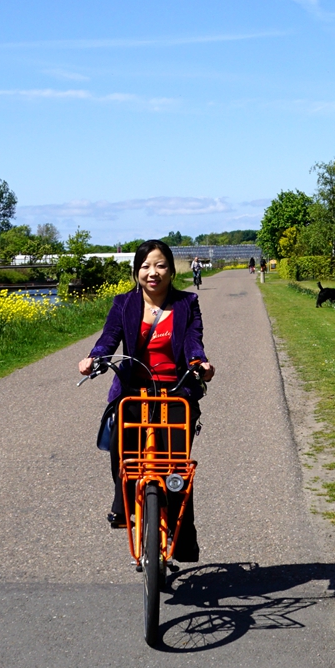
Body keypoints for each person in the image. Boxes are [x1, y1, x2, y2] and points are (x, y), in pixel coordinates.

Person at [79, 239, 213, 559]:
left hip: (175, 392)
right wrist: (95, 357)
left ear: (170, 269)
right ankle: (124, 505)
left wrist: (200, 363)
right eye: (145, 266)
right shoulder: (124, 303)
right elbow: (109, 337)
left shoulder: (186, 303)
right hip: (134, 391)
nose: (152, 273)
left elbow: (194, 341)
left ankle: (183, 539)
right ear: (136, 271)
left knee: (175, 468)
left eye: (160, 265)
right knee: (119, 447)